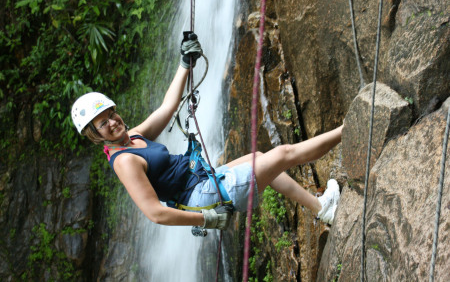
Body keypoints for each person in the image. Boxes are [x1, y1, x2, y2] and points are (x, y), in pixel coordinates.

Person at [71, 32, 341, 231]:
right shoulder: (125, 161)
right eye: (102, 123)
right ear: (95, 134)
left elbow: (167, 108)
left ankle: (321, 208)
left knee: (256, 156)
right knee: (283, 153)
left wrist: (185, 64)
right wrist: (206, 219)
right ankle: (345, 131)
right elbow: (155, 213)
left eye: (111, 114)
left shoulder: (133, 138)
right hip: (203, 197)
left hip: (204, 182)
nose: (112, 122)